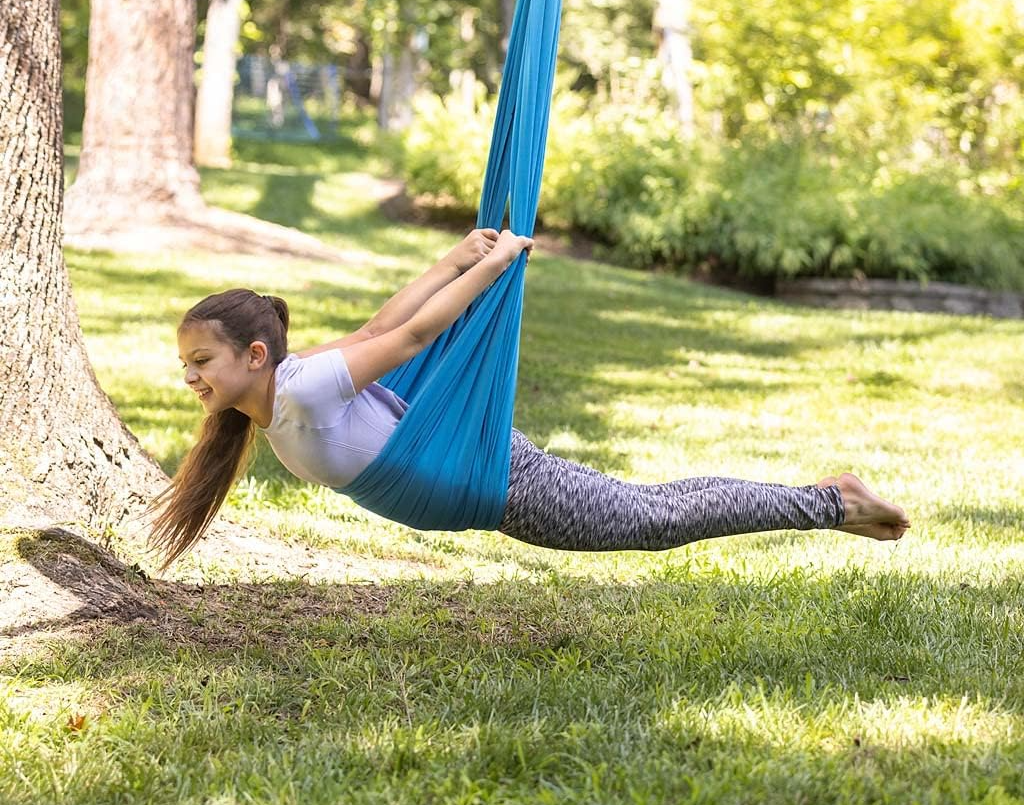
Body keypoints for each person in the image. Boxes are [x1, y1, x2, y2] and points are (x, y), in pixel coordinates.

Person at [150, 228, 910, 567]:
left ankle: (831, 503)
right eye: (189, 363)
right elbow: (379, 325)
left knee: (652, 520)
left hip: (493, 479)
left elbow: (409, 338)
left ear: (253, 355)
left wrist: (492, 264)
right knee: (651, 510)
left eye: (200, 360)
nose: (191, 376)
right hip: (477, 479)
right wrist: (453, 255)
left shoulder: (303, 387)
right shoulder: (291, 384)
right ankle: (826, 498)